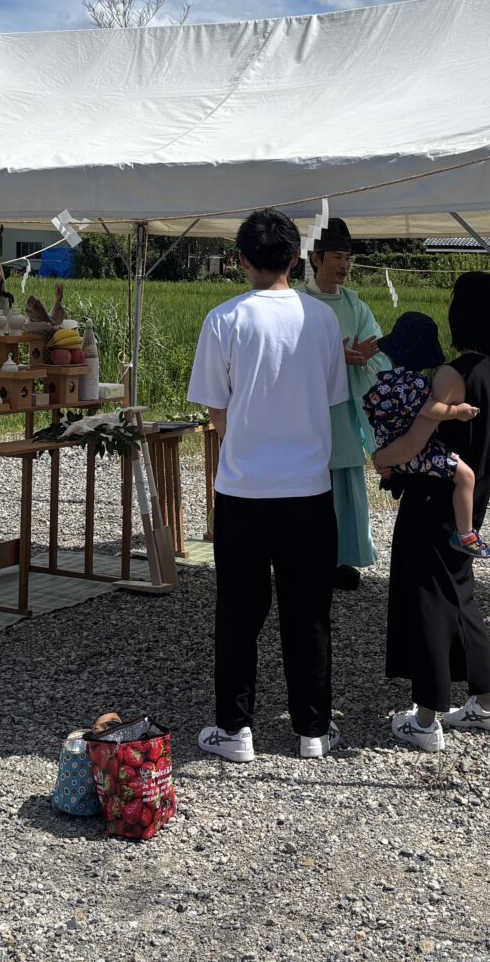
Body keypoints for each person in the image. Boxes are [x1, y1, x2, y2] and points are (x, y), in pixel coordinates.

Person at [187, 208, 348, 763]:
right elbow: (330, 398)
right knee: (309, 613)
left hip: (244, 490)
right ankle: (313, 730)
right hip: (308, 489)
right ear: (298, 258)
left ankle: (235, 730)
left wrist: (247, 446)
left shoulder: (224, 319)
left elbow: (217, 411)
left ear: (242, 261)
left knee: (238, 611)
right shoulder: (322, 319)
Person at [374, 271, 490, 752]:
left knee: (429, 600)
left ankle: (426, 715)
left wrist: (379, 458)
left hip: (433, 498)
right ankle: (489, 702)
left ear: (465, 311)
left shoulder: (453, 374)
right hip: (468, 502)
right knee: (460, 595)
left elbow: (415, 439)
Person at [300, 217, 392, 590]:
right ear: (316, 259)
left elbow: (378, 351)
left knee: (345, 487)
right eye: (338, 256)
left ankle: (342, 558)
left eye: (348, 258)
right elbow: (291, 355)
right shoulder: (298, 302)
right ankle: (306, 556)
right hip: (308, 409)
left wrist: (364, 356)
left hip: (346, 408)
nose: (345, 265)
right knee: (309, 485)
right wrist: (336, 356)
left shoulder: (356, 305)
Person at [363, 313, 489, 559]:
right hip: (418, 452)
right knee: (466, 476)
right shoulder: (417, 384)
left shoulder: (386, 382)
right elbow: (429, 409)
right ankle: (466, 534)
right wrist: (457, 412)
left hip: (390, 444)